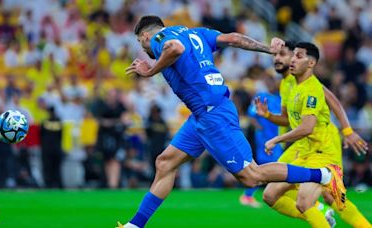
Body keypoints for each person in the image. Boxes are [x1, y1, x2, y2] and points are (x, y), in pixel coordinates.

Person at [119, 15, 344, 228]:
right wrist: (268, 49)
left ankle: (324, 175)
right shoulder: (196, 33)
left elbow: (175, 49)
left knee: (251, 176)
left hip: (213, 114)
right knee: (165, 163)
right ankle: (135, 224)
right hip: (202, 114)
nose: (144, 49)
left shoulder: (159, 39)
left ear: (145, 36)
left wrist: (149, 72)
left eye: (141, 43)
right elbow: (234, 39)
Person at [260, 42, 371, 227]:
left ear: (311, 63)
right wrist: (268, 115)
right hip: (303, 151)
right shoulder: (292, 86)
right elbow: (289, 119)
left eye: (296, 56)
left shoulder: (313, 88)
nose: (287, 59)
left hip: (322, 153)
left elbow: (308, 126)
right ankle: (323, 213)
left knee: (320, 200)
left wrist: (348, 131)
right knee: (270, 195)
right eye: (292, 55)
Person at [240, 75, 283, 208]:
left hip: (276, 138)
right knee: (272, 166)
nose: (271, 84)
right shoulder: (261, 97)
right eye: (269, 82)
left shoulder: (279, 99)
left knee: (276, 165)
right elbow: (251, 114)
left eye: (273, 82)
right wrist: (260, 127)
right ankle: (248, 195)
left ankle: (249, 195)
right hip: (264, 138)